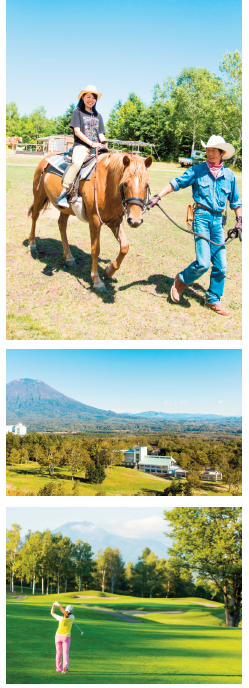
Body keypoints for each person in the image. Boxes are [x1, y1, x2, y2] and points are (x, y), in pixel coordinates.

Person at [149, 135, 242, 317]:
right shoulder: (197, 170)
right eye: (207, 149)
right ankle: (181, 281)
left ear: (221, 153)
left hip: (218, 222)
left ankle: (213, 299)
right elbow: (176, 183)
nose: (209, 153)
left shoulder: (229, 175)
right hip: (201, 217)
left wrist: (240, 220)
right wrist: (158, 196)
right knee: (203, 262)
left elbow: (235, 201)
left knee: (221, 265)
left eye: (213, 150)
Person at [55, 85, 108, 208]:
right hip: (82, 146)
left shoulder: (98, 116)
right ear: (83, 97)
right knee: (77, 163)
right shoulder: (77, 112)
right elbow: (77, 132)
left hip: (97, 146)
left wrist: (104, 143)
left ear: (96, 100)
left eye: (93, 97)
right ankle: (64, 192)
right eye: (88, 97)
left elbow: (101, 134)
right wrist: (91, 143)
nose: (91, 99)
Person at [51, 601, 75, 673]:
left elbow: (52, 613)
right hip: (66, 637)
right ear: (72, 612)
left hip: (58, 636)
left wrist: (54, 605)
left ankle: (58, 668)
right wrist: (59, 606)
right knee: (65, 653)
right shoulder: (72, 617)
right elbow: (65, 613)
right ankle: (65, 668)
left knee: (58, 653)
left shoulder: (60, 618)